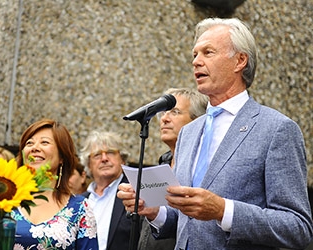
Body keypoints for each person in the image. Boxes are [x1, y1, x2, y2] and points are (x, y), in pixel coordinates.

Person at [118, 17, 313, 249]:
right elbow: (186, 222)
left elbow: (298, 227)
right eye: (194, 55)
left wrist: (224, 211)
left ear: (240, 60)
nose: (196, 62)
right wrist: (154, 212)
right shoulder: (188, 133)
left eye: (208, 52)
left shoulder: (276, 129)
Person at [138, 87, 208, 250]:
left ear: (197, 121)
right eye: (163, 113)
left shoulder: (202, 169)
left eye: (175, 112)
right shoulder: (163, 163)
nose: (164, 119)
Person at [12, 119, 98, 250]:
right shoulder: (3, 201)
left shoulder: (80, 209)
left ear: (62, 157)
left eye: (44, 142)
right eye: (29, 143)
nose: (35, 148)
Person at [79, 131, 137, 250]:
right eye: (97, 155)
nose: (104, 159)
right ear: (89, 164)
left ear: (122, 159)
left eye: (110, 152)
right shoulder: (81, 201)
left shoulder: (134, 191)